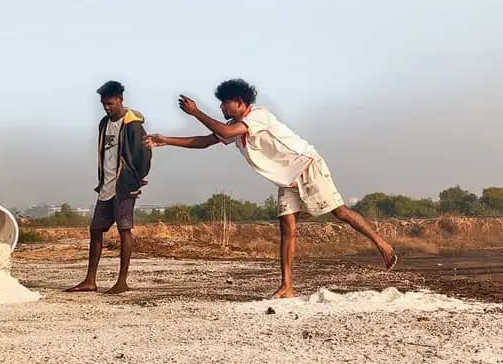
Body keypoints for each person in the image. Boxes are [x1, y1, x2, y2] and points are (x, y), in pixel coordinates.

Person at [146, 79, 396, 298]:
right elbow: (205, 141)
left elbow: (222, 130)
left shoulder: (257, 115)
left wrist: (196, 112)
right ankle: (287, 286)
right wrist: (165, 140)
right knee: (287, 229)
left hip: (306, 165)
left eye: (225, 103)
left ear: (240, 102)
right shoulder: (236, 125)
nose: (222, 107)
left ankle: (382, 244)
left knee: (340, 212)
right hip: (286, 179)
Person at [68, 81, 152, 294]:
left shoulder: (133, 124)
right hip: (106, 184)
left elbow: (144, 154)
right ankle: (90, 280)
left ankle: (122, 281)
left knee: (125, 229)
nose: (107, 107)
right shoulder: (103, 123)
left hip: (125, 185)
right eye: (103, 104)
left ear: (120, 99)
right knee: (96, 229)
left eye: (110, 103)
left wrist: (137, 177)